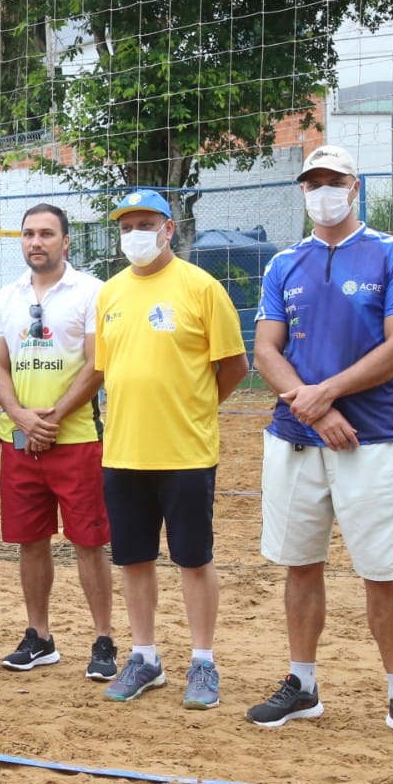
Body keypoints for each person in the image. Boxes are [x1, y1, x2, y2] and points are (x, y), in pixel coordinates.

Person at [245, 145, 393, 745]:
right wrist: (310, 403)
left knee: (383, 571)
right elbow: (265, 351)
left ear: (355, 186)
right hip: (294, 440)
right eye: (312, 182)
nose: (321, 190)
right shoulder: (284, 263)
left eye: (333, 180)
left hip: (369, 439)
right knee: (301, 565)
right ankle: (302, 685)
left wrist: (321, 394)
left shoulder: (392, 252)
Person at [94, 189, 248, 708]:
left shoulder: (201, 287)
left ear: (170, 228)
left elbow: (233, 367)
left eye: (146, 223)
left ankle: (203, 662)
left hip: (185, 453)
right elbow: (106, 368)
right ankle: (145, 657)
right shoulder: (110, 293)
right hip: (124, 452)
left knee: (193, 559)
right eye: (127, 225)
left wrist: (197, 406)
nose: (135, 233)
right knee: (134, 559)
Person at [0, 204, 116, 678]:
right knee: (30, 541)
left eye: (46, 233)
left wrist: (55, 416)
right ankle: (39, 636)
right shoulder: (7, 296)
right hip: (18, 440)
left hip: (76, 438)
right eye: (28, 234)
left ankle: (104, 639)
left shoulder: (92, 292)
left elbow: (97, 364)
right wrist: (20, 416)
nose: (35, 242)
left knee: (89, 542)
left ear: (66, 241)